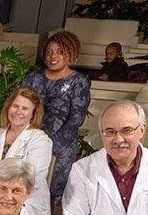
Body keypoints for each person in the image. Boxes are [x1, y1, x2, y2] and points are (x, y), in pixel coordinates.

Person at [21, 30, 90, 201]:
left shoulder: (78, 82)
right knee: (20, 188)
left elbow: (76, 119)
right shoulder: (33, 77)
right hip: (27, 141)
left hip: (59, 147)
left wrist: (46, 144)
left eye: (60, 51)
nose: (53, 56)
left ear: (71, 53)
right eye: (49, 51)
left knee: (47, 194)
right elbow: (20, 107)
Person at [0, 87, 53, 215]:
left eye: (25, 109)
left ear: (33, 114)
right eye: (15, 106)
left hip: (23, 203)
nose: (18, 112)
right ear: (8, 107)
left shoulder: (40, 140)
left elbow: (32, 181)